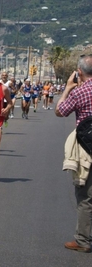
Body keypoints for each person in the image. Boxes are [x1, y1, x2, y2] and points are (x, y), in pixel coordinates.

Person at [55, 54, 92, 253]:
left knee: (85, 195)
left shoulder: (80, 92)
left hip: (87, 148)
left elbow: (60, 111)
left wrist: (68, 88)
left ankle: (83, 240)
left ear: (79, 72)